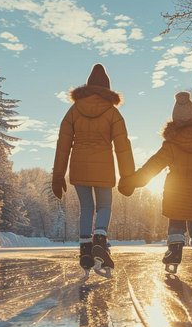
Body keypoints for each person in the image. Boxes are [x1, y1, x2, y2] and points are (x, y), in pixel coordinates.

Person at [120, 92, 192, 273]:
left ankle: (174, 252)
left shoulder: (171, 144)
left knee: (176, 224)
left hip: (175, 192)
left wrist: (132, 181)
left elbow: (153, 166)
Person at [52, 64, 134, 277]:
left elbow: (63, 143)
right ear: (107, 88)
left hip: (78, 168)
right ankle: (100, 240)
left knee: (86, 207)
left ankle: (85, 251)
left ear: (88, 86)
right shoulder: (112, 112)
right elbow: (123, 145)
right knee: (104, 205)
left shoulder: (73, 110)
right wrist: (128, 175)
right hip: (104, 168)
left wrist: (58, 175)